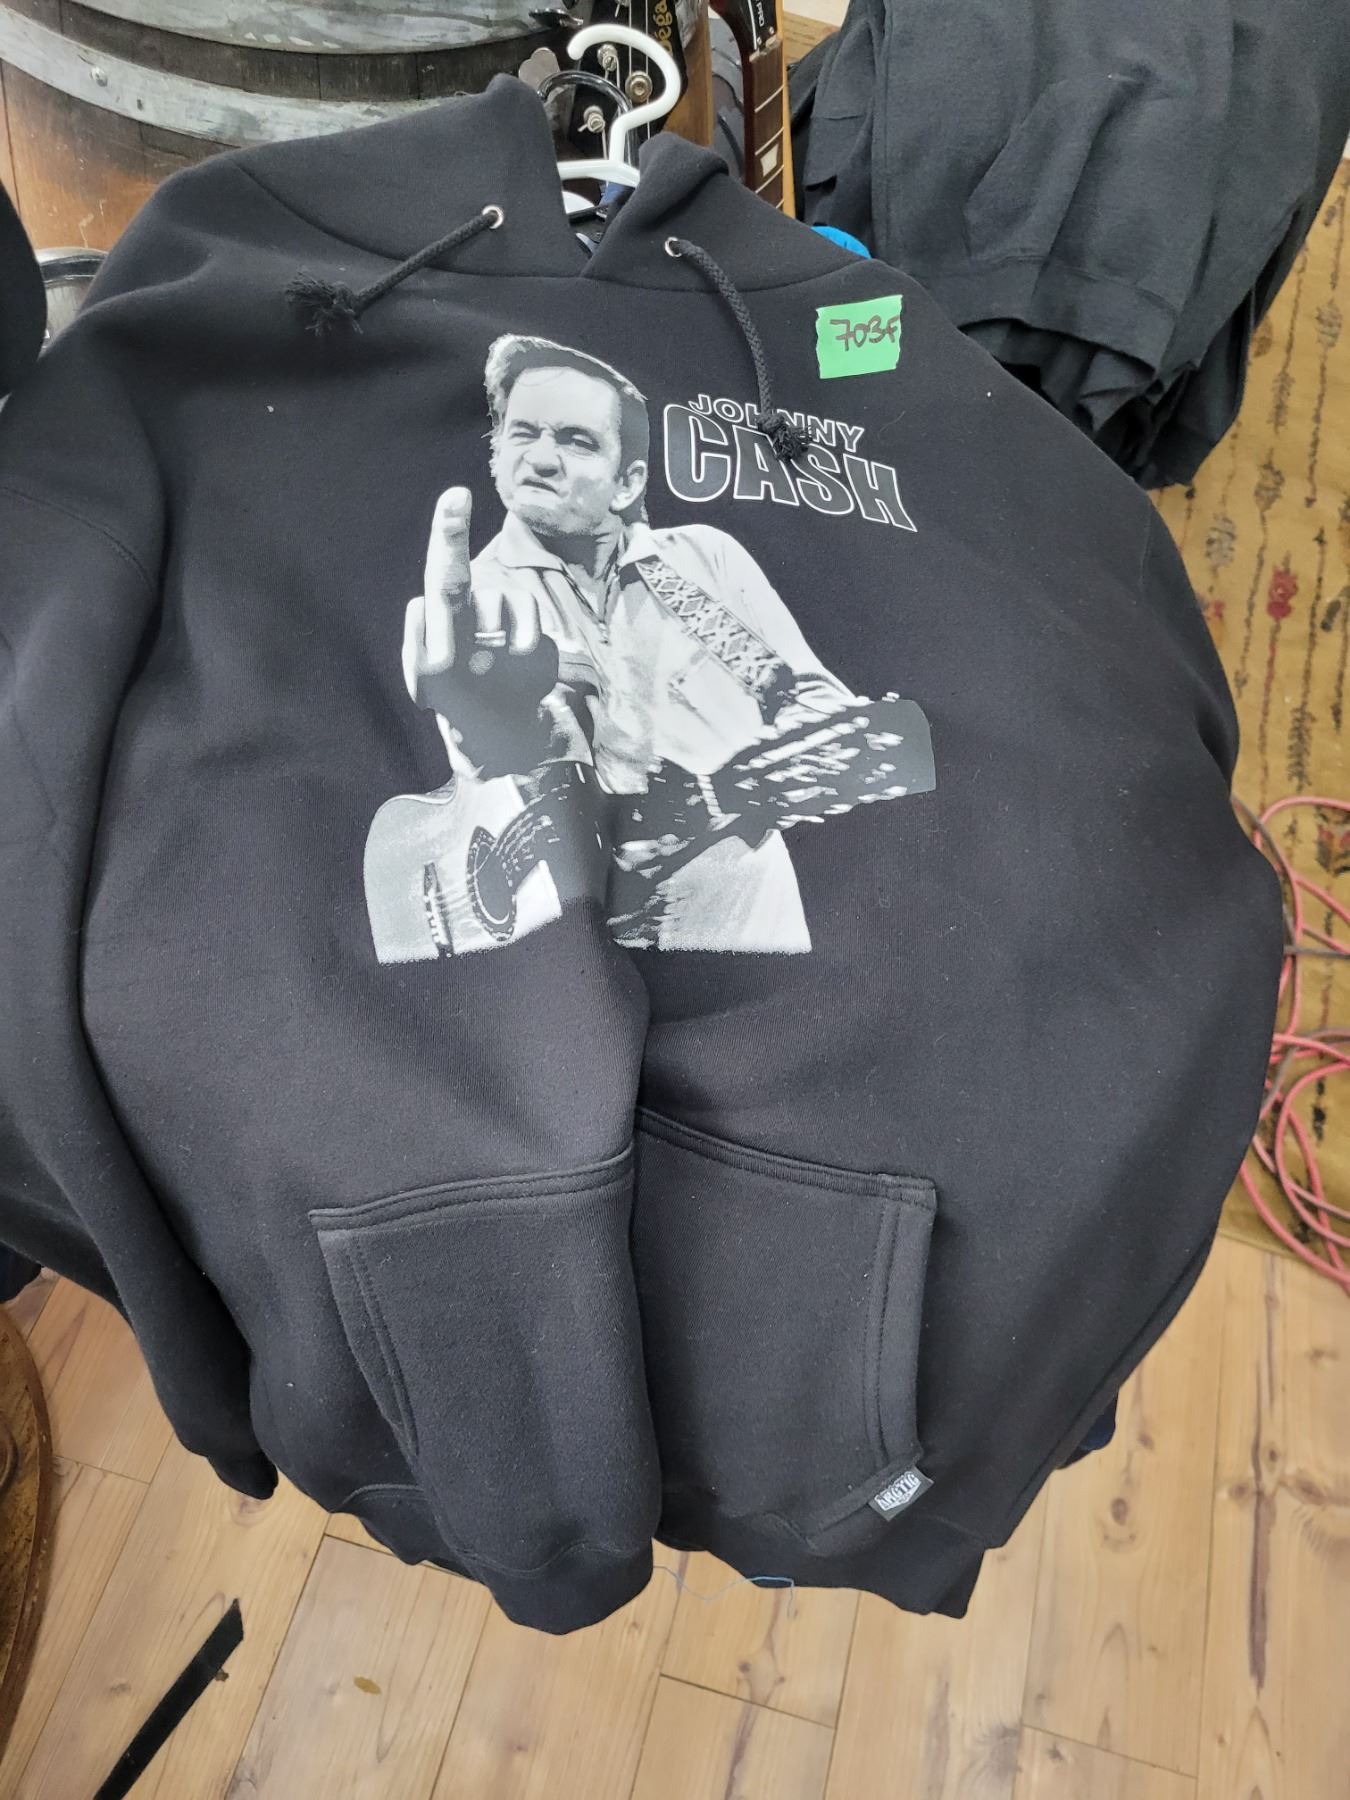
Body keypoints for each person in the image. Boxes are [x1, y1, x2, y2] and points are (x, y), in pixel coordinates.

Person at [392, 333, 862, 953]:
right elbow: (488, 788)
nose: (541, 459)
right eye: (522, 432)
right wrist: (487, 731)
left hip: (754, 936)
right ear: (496, 453)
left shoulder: (705, 561)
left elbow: (831, 719)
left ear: (627, 482)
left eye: (576, 440)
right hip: (571, 959)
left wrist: (744, 788)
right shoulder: (478, 608)